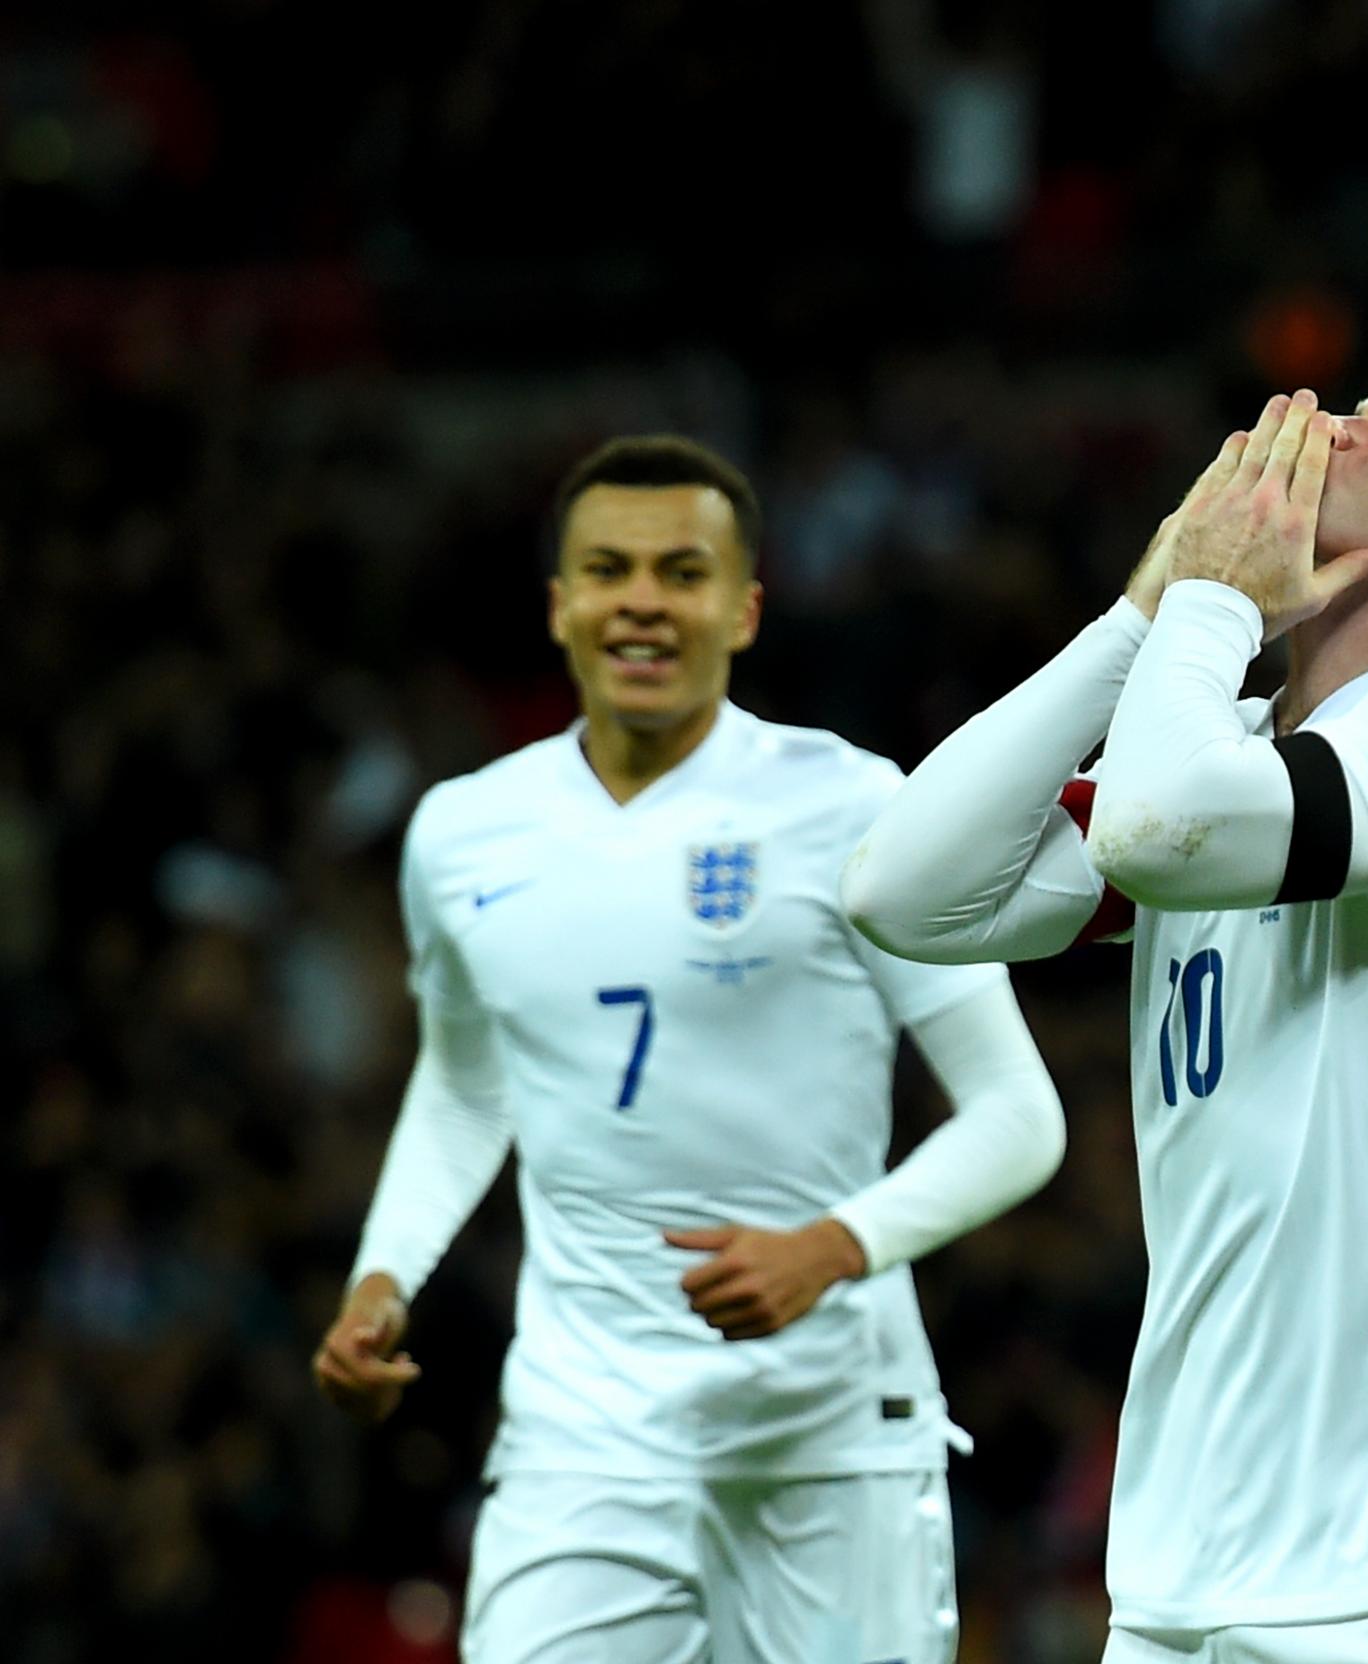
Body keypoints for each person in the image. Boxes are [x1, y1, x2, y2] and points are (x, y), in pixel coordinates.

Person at [842, 368, 1368, 1662]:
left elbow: (1157, 826)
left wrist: (1209, 603)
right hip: (1197, 1565)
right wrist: (1143, 609)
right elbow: (903, 887)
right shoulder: (1234, 747)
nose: (1330, 423)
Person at [311, 435, 1066, 1664]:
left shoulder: (859, 806)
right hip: (581, 1432)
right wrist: (383, 1273)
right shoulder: (461, 833)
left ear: (745, 605)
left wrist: (833, 1246)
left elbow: (1018, 1115)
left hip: (827, 1431)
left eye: (682, 569)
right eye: (609, 569)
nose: (645, 600)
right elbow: (463, 1082)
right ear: (560, 604)